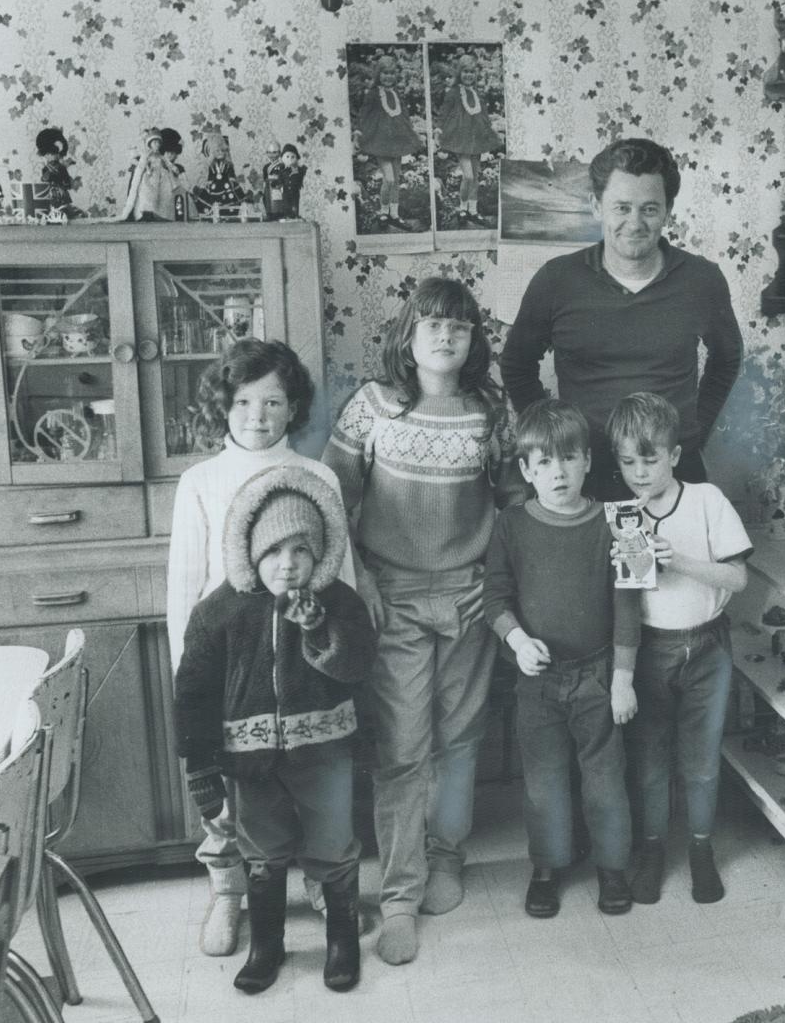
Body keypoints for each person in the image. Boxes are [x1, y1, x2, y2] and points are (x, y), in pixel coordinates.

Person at [322, 277, 513, 966]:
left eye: (459, 327)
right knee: (403, 750)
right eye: (431, 323)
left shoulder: (491, 409)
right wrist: (363, 580)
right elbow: (332, 501)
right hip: (393, 597)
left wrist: (493, 589)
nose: (444, 335)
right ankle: (398, 896)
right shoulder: (371, 406)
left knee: (460, 739)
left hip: (466, 595)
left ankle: (447, 858)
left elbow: (513, 504)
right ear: (406, 335)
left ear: (473, 341)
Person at [166, 338, 354, 958]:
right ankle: (228, 891)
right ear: (224, 404)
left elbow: (341, 579)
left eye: (273, 401)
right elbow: (186, 590)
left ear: (293, 406)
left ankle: (325, 882)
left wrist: (337, 649)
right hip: (230, 667)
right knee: (234, 788)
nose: (257, 415)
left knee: (310, 779)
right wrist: (187, 679)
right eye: (243, 400)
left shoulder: (317, 475)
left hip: (305, 666)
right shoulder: (200, 481)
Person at [174, 466, 376, 994]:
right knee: (260, 851)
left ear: (320, 553)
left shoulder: (338, 604)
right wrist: (202, 768)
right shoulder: (218, 612)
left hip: (326, 752)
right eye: (273, 552)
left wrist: (318, 628)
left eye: (301, 550)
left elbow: (357, 665)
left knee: (334, 845)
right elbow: (192, 693)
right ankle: (268, 942)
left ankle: (341, 939)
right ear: (250, 552)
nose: (288, 565)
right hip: (251, 761)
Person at [501, 136, 743, 500]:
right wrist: (554, 438)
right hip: (584, 479)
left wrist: (694, 432)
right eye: (621, 208)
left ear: (668, 210)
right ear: (596, 207)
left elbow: (726, 361)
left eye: (649, 209)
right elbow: (516, 365)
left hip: (673, 474)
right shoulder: (556, 280)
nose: (635, 223)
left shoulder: (702, 280)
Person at [483, 400, 640, 920]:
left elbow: (627, 603)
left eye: (569, 458)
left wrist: (622, 677)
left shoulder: (619, 521)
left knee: (605, 777)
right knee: (544, 780)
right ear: (526, 470)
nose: (559, 472)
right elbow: (495, 600)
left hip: (599, 674)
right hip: (538, 680)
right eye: (545, 463)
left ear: (588, 462)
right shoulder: (510, 525)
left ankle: (613, 866)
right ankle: (548, 866)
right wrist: (518, 642)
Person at [606, 392, 751, 904]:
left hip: (708, 647)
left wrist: (681, 561)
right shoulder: (622, 513)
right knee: (648, 758)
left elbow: (738, 578)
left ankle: (700, 850)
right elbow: (627, 594)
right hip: (649, 648)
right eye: (627, 462)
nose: (640, 472)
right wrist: (628, 547)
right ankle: (651, 851)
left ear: (675, 454)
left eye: (651, 459)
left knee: (703, 758)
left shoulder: (708, 500)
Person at [354, 54, 424, 231]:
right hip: (382, 142)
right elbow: (364, 114)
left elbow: (404, 116)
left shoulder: (396, 94)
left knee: (396, 178)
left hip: (397, 141)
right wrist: (360, 134)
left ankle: (394, 214)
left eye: (392, 73)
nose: (388, 77)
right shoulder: (373, 94)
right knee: (389, 178)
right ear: (379, 74)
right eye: (385, 73)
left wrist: (411, 134)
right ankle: (383, 212)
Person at [433, 53, 502, 227]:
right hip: (461, 137)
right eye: (465, 72)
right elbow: (444, 112)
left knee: (476, 176)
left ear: (475, 73)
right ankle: (462, 208)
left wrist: (490, 129)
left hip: (476, 137)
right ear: (459, 73)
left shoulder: (477, 93)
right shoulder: (454, 93)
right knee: (468, 175)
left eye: (471, 72)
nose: (468, 75)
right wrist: (439, 129)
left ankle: (473, 210)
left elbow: (483, 114)